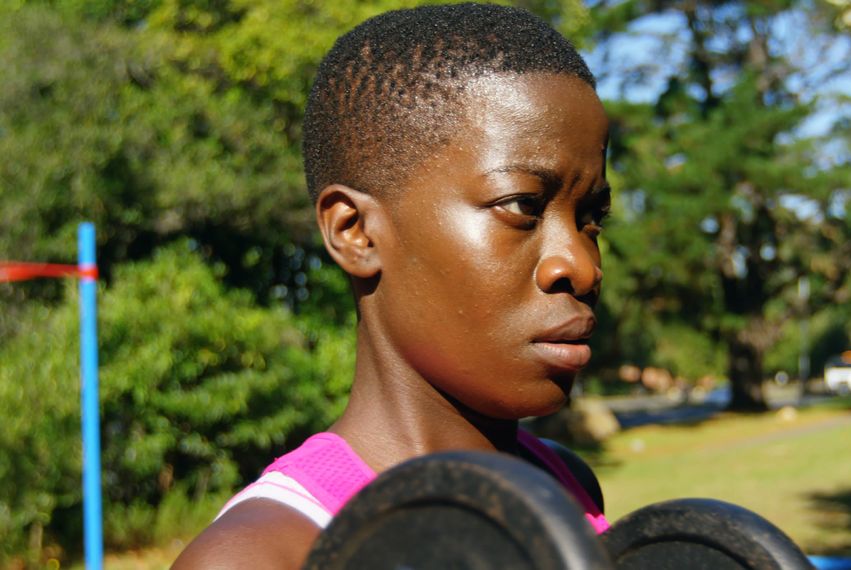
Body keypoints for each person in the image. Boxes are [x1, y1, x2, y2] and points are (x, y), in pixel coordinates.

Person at [173, 3, 612, 568]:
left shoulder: (564, 486)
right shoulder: (267, 554)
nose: (580, 264)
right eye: (521, 206)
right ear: (355, 233)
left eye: (591, 217)